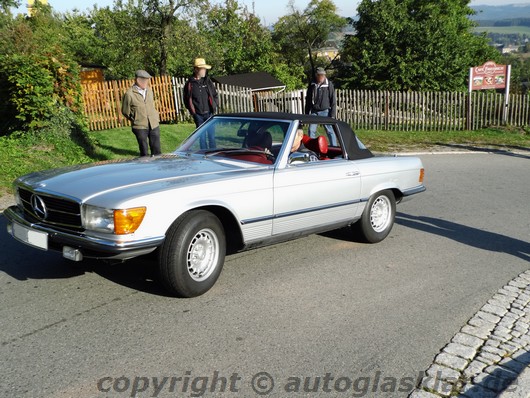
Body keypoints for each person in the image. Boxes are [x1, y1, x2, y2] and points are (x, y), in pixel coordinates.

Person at [121, 70, 161, 157]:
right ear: (138, 80)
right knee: (144, 150)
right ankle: (145, 167)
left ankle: (158, 165)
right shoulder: (129, 94)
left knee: (157, 149)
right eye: (144, 80)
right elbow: (125, 111)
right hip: (139, 126)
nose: (146, 82)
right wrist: (135, 118)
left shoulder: (149, 91)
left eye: (147, 80)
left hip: (153, 123)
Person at [183, 58, 219, 149]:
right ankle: (204, 156)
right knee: (202, 138)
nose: (204, 71)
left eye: (205, 69)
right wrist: (194, 113)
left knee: (211, 137)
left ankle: (213, 154)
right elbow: (187, 100)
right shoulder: (190, 84)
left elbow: (214, 95)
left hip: (209, 113)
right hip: (198, 115)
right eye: (202, 68)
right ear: (196, 69)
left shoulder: (207, 81)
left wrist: (215, 105)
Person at [304, 67, 338, 146]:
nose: (322, 77)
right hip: (314, 111)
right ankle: (312, 148)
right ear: (317, 75)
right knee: (311, 130)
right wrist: (306, 113)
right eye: (320, 75)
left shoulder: (329, 84)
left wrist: (332, 115)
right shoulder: (312, 84)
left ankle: (334, 147)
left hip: (325, 111)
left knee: (330, 131)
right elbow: (308, 99)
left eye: (323, 75)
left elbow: (333, 99)